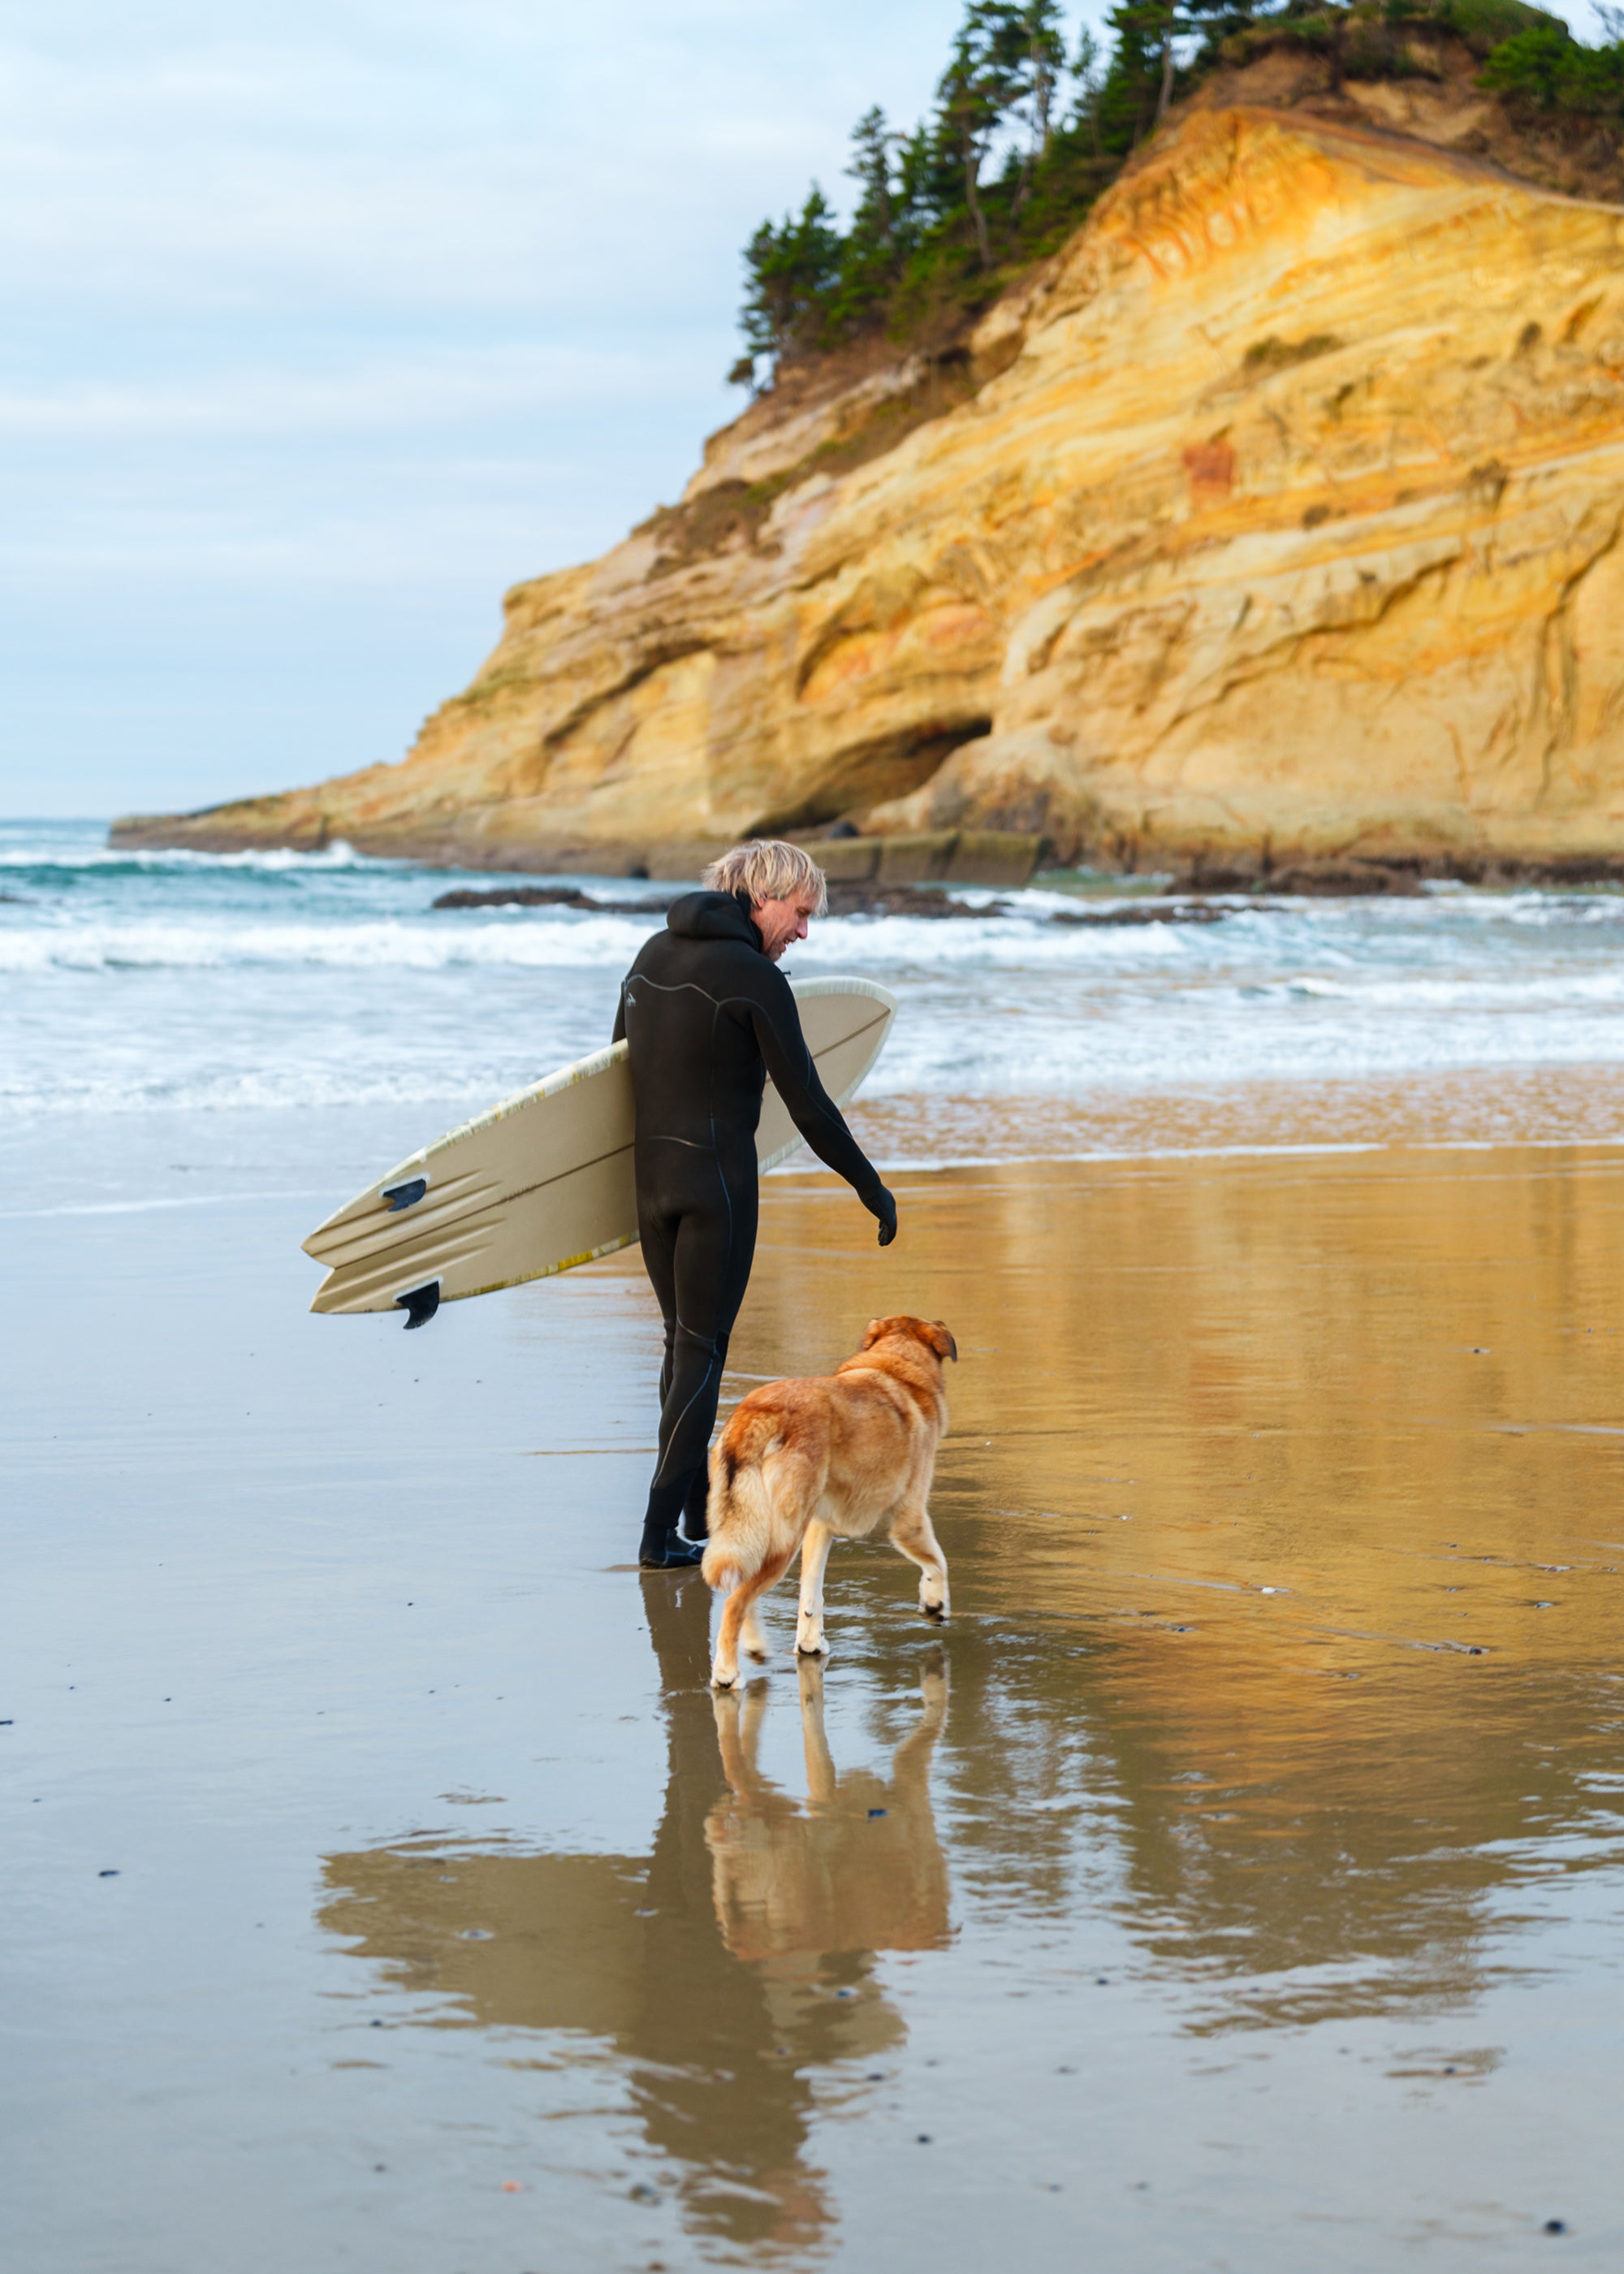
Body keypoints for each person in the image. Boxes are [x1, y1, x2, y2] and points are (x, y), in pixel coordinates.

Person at [613, 840, 896, 1569]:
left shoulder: (649, 955)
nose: (803, 932)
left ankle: (684, 1513)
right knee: (702, 1357)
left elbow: (613, 1072)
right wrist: (870, 1186)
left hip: (651, 1187)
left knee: (682, 1348)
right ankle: (656, 1536)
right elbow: (810, 1105)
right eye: (801, 914)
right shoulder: (753, 977)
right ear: (763, 896)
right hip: (716, 1187)